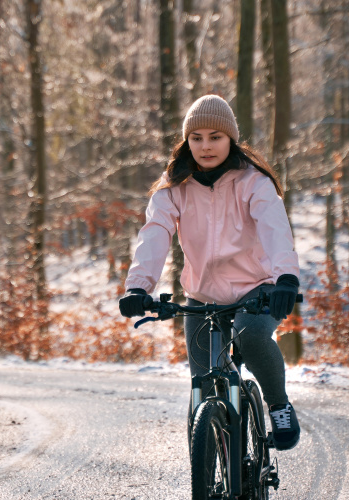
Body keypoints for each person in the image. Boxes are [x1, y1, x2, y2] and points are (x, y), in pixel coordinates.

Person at [117, 94, 302, 451]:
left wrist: (286, 279)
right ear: (186, 141)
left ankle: (278, 405)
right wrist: (138, 287)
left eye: (215, 137)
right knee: (203, 384)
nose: (205, 146)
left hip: (257, 289)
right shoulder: (173, 187)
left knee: (250, 336)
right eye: (196, 137)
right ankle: (216, 462)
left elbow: (275, 229)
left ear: (231, 139)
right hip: (201, 294)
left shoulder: (253, 182)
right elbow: (155, 234)